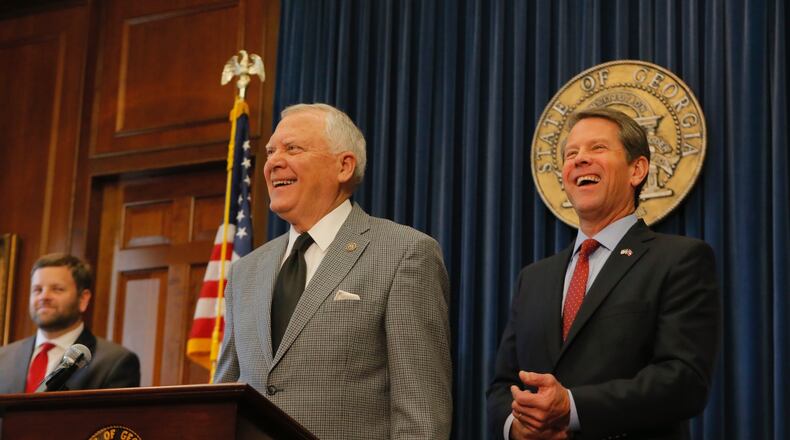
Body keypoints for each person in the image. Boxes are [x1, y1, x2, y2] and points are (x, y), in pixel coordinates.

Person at [214, 103, 452, 439]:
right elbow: (224, 395)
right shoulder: (246, 271)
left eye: (292, 148)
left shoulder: (404, 254)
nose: (273, 162)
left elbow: (421, 415)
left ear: (344, 166)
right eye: (270, 151)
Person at [487, 108, 721, 440]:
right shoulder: (533, 278)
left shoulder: (680, 259)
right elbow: (501, 386)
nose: (580, 159)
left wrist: (572, 407)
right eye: (571, 153)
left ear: (637, 170)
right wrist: (516, 427)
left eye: (597, 148)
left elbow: (684, 380)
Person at [0, 253, 140, 393]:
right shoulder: (4, 357)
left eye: (57, 289)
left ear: (83, 299)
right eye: (38, 290)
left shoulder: (114, 362)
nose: (44, 296)